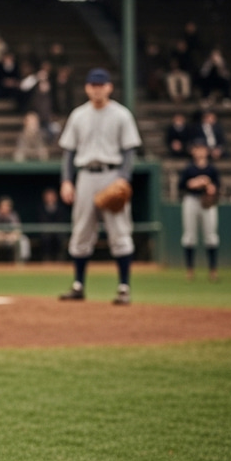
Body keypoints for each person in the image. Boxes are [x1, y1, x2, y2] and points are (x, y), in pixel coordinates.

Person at [57, 68, 142, 305]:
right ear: (87, 87)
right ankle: (78, 285)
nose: (97, 88)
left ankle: (124, 287)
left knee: (120, 232)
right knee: (81, 230)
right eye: (93, 85)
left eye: (101, 84)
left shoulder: (122, 114)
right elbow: (68, 152)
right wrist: (66, 181)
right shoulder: (78, 115)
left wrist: (123, 178)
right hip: (85, 176)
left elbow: (129, 151)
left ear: (109, 87)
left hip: (112, 175)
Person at [178, 139, 221, 282]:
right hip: (191, 200)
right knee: (189, 236)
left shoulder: (212, 169)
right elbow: (181, 185)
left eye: (202, 148)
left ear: (207, 151)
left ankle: (213, 271)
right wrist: (194, 183)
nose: (200, 151)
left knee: (211, 236)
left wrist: (210, 186)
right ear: (193, 151)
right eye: (197, 148)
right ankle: (190, 270)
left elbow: (217, 186)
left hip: (207, 202)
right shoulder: (189, 168)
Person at [0, 195, 31, 263]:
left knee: (23, 239)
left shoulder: (13, 215)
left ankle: (23, 261)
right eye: (4, 205)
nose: (6, 207)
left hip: (10, 238)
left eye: (7, 206)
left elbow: (18, 229)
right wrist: (0, 235)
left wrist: (11, 235)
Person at [36, 187, 69, 262]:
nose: (50, 198)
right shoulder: (41, 207)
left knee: (60, 237)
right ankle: (46, 258)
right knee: (45, 238)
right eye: (48, 196)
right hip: (46, 230)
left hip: (58, 230)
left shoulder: (61, 207)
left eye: (52, 196)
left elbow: (62, 220)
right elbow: (41, 220)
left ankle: (60, 259)